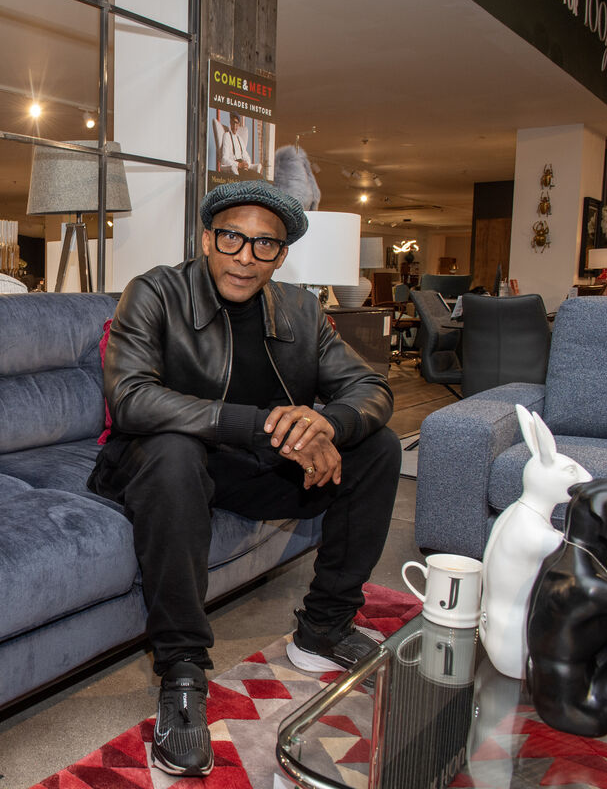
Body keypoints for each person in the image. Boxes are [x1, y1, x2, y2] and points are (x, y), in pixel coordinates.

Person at [87, 180, 400, 777]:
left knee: (378, 446)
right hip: (158, 464)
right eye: (231, 237)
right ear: (207, 239)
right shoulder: (154, 292)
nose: (245, 256)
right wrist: (260, 425)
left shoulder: (302, 311)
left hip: (248, 467)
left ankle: (324, 626)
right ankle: (181, 670)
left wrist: (326, 424)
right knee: (176, 451)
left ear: (281, 256)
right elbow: (130, 398)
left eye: (265, 244)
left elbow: (370, 388)